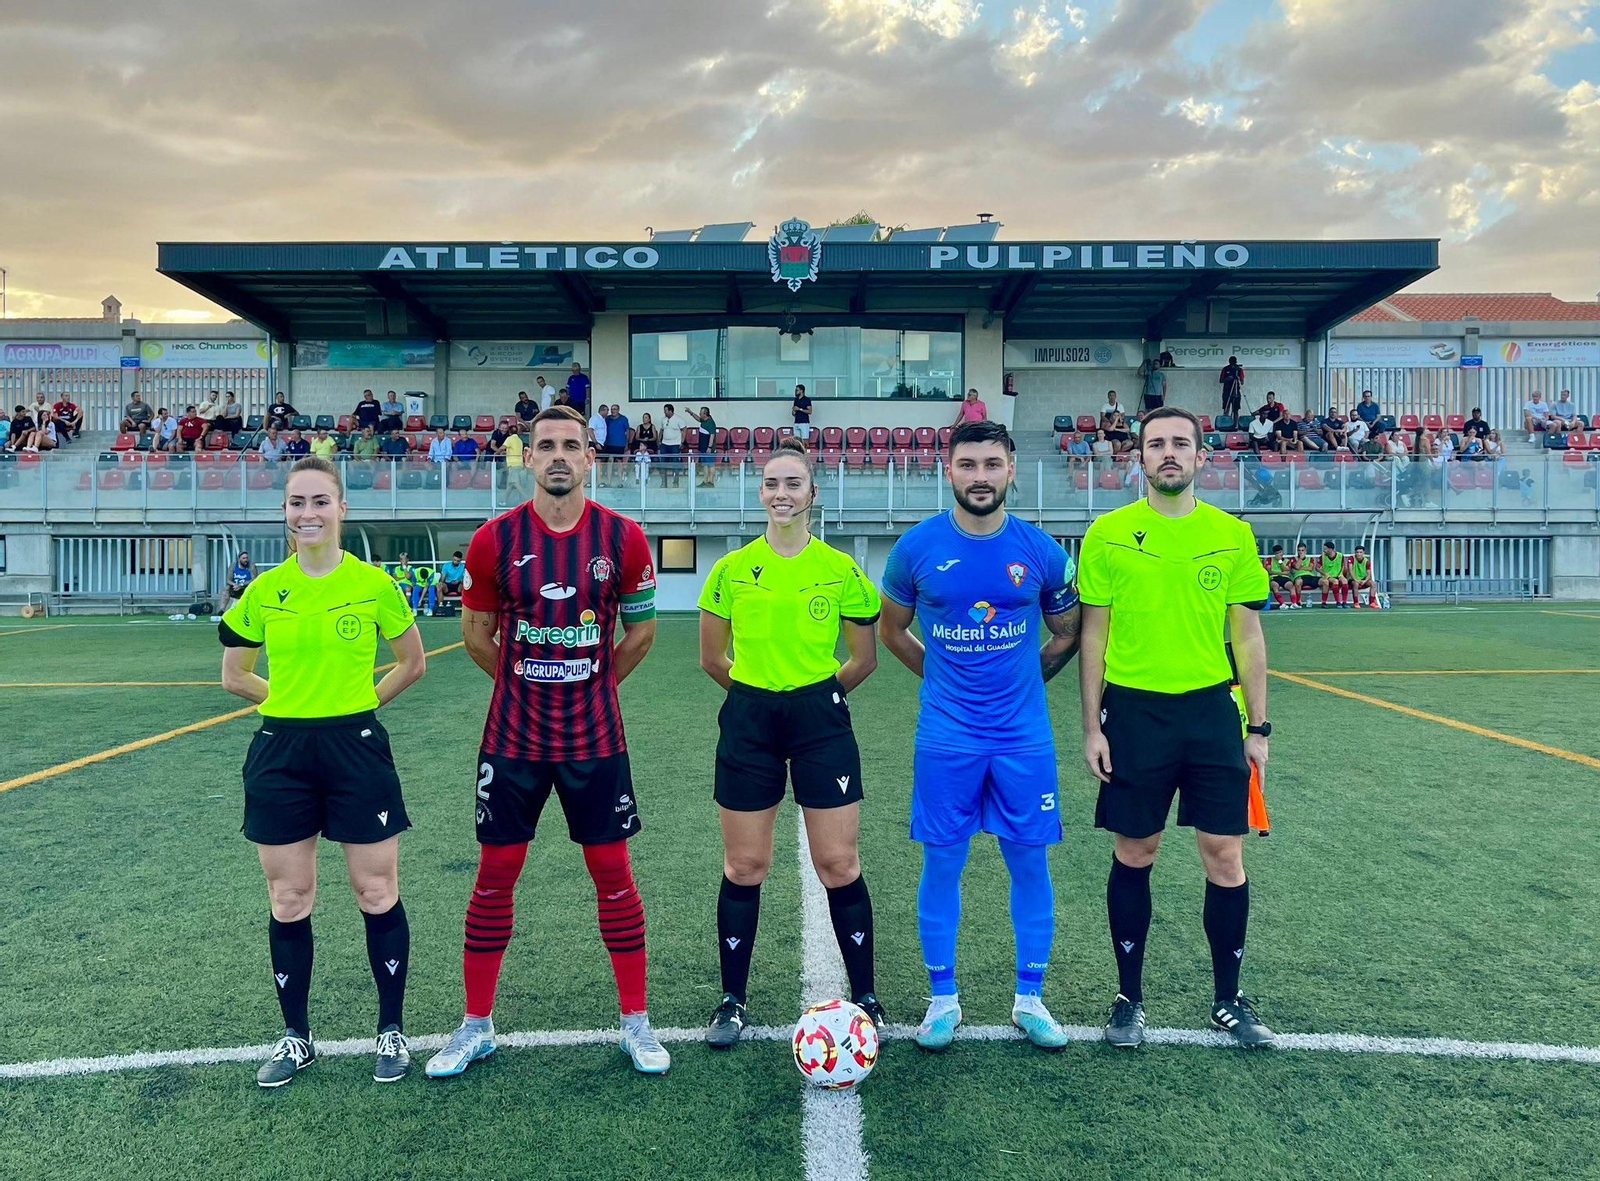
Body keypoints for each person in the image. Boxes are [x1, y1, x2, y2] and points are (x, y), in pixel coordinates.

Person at [427, 405, 668, 1079]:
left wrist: (593, 685)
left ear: (592, 457)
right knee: (494, 877)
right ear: (528, 458)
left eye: (572, 445)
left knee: (614, 877)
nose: (559, 455)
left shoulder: (624, 538)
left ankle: (637, 1024)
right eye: (546, 445)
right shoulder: (492, 539)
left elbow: (641, 634)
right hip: (513, 740)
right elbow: (477, 637)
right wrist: (525, 685)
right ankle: (476, 1024)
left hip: (595, 740)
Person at [218, 455, 427, 1087]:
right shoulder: (264, 591)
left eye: (318, 501)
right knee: (289, 897)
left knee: (376, 891)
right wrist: (289, 704)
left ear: (342, 508)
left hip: (356, 748)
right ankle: (296, 1039)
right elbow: (234, 675)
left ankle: (391, 1030)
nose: (307, 513)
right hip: (281, 753)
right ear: (285, 511)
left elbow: (410, 664)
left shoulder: (375, 585)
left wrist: (356, 708)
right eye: (296, 503)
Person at [879, 419, 1083, 1051]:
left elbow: (1068, 633)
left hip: (1023, 739)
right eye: (968, 465)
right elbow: (892, 632)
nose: (980, 476)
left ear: (1011, 469)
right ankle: (943, 1001)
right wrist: (939, 678)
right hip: (947, 738)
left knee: (1029, 861)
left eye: (992, 464)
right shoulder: (916, 549)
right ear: (950, 471)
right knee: (944, 862)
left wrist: (1029, 681)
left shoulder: (1042, 550)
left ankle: (1030, 999)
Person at [1077, 406, 1273, 1050]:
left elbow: (1246, 633)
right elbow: (1094, 637)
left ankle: (1229, 999)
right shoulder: (1107, 533)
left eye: (1179, 443)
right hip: (1134, 714)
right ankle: (1129, 998)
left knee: (1225, 857)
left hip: (1213, 715)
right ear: (1138, 456)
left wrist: (1259, 725)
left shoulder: (1232, 534)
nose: (1168, 453)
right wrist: (1092, 727)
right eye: (1155, 443)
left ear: (1200, 456)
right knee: (1136, 852)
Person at [697, 436, 886, 1047]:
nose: (782, 494)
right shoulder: (729, 571)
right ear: (761, 493)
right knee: (745, 865)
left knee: (838, 863)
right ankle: (732, 1000)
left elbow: (862, 659)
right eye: (772, 484)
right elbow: (712, 658)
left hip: (820, 721)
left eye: (793, 484)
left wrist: (816, 698)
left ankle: (866, 997)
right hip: (749, 718)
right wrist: (761, 695)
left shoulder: (841, 571)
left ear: (813, 494)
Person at [659, 404, 693, 489]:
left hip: (675, 444)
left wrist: (682, 441)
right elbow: (661, 430)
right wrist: (659, 441)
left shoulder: (679, 419)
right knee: (663, 464)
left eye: (666, 410)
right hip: (664, 444)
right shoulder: (663, 420)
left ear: (670, 411)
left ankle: (675, 482)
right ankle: (664, 482)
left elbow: (684, 429)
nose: (664, 412)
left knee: (675, 464)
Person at [604, 404, 632, 486]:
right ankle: (608, 482)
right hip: (609, 443)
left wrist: (627, 443)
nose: (613, 411)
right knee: (610, 461)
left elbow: (627, 432)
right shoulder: (608, 419)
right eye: (612, 409)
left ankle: (620, 482)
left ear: (618, 410)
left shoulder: (623, 419)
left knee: (619, 462)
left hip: (620, 444)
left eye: (615, 409)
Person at [1316, 540, 1349, 608]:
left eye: (1325, 549)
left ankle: (1344, 602)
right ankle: (1337, 602)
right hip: (1328, 576)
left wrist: (1342, 574)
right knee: (1335, 581)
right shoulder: (1322, 557)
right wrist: (1325, 574)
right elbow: (1317, 568)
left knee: (1345, 581)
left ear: (1331, 549)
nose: (1324, 550)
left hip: (1339, 575)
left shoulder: (1340, 556)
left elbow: (1344, 566)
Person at [1264, 545, 1297, 609]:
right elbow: (1270, 571)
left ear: (1282, 552)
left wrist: (1280, 561)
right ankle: (1282, 604)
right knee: (1274, 586)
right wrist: (1281, 573)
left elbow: (1287, 571)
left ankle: (1294, 604)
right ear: (1274, 554)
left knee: (1291, 586)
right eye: (1277, 553)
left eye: (1280, 552)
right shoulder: (1269, 560)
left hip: (1285, 578)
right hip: (1274, 577)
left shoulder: (1287, 561)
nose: (1279, 554)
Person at [1347, 545, 1379, 609]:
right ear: (1355, 553)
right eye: (1357, 552)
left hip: (1363, 580)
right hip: (1352, 580)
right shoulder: (1351, 558)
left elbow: (1369, 574)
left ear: (1363, 553)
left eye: (1360, 552)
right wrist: (1356, 580)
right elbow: (1350, 570)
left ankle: (1372, 602)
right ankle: (1356, 602)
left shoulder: (1366, 561)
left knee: (1373, 583)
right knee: (1355, 583)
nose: (1359, 554)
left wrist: (1365, 581)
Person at [1218, 356, 1245, 421]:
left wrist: (1238, 378)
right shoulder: (1225, 369)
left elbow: (1242, 382)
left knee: (1235, 410)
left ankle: (1235, 424)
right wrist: (1228, 378)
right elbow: (1221, 380)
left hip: (1236, 392)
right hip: (1227, 392)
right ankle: (1225, 423)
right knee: (1226, 408)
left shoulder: (1239, 369)